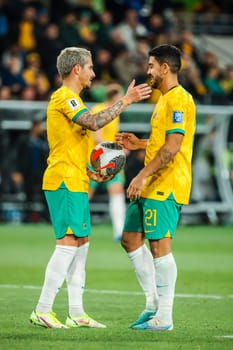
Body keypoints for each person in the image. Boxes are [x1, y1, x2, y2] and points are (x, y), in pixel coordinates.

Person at [29, 46, 151, 329]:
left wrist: (89, 171)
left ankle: (76, 312)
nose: (93, 73)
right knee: (69, 242)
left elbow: (67, 145)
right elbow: (94, 122)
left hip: (76, 177)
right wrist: (127, 100)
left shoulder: (74, 101)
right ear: (76, 70)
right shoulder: (65, 98)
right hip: (63, 180)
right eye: (90, 68)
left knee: (81, 244)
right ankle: (43, 309)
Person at [116, 44, 196, 331]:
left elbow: (173, 149)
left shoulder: (179, 100)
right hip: (152, 182)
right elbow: (163, 142)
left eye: (151, 66)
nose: (147, 70)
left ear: (164, 68)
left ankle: (165, 317)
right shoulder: (163, 101)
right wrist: (139, 144)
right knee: (130, 239)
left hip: (166, 183)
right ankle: (152, 305)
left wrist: (139, 176)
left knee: (160, 246)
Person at [88, 83, 126, 241]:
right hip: (95, 159)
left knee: (116, 192)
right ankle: (74, 226)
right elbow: (97, 137)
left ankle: (119, 231)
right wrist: (116, 148)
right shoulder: (98, 110)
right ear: (114, 97)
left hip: (111, 159)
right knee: (85, 195)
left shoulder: (116, 114)